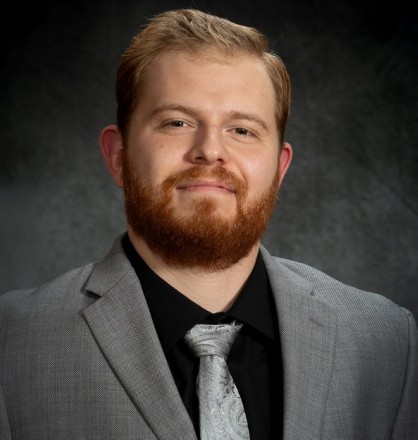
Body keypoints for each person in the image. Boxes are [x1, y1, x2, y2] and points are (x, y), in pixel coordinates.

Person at [0, 8, 417, 440]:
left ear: (279, 168)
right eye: (177, 123)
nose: (210, 150)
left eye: (242, 130)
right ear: (119, 156)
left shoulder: (385, 341)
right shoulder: (10, 344)